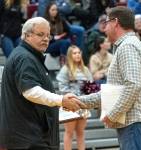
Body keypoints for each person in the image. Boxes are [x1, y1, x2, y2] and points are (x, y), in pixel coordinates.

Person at [0, 17, 87, 150]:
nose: (46, 39)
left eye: (48, 35)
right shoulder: (25, 57)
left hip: (30, 136)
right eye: (41, 34)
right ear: (26, 36)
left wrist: (59, 105)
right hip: (28, 139)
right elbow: (31, 91)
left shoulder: (29, 56)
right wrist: (60, 100)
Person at [79, 6, 141, 150]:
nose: (104, 29)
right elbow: (112, 92)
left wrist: (113, 114)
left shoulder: (128, 46)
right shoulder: (128, 45)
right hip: (132, 123)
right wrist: (79, 101)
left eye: (106, 23)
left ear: (115, 22)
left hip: (133, 123)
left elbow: (133, 85)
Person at [56, 45, 93, 150]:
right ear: (70, 55)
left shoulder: (85, 69)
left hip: (83, 105)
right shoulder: (65, 69)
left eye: (78, 52)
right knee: (69, 132)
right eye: (74, 53)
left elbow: (91, 86)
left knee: (81, 132)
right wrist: (73, 97)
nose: (77, 55)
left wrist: (88, 95)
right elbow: (62, 88)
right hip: (70, 105)